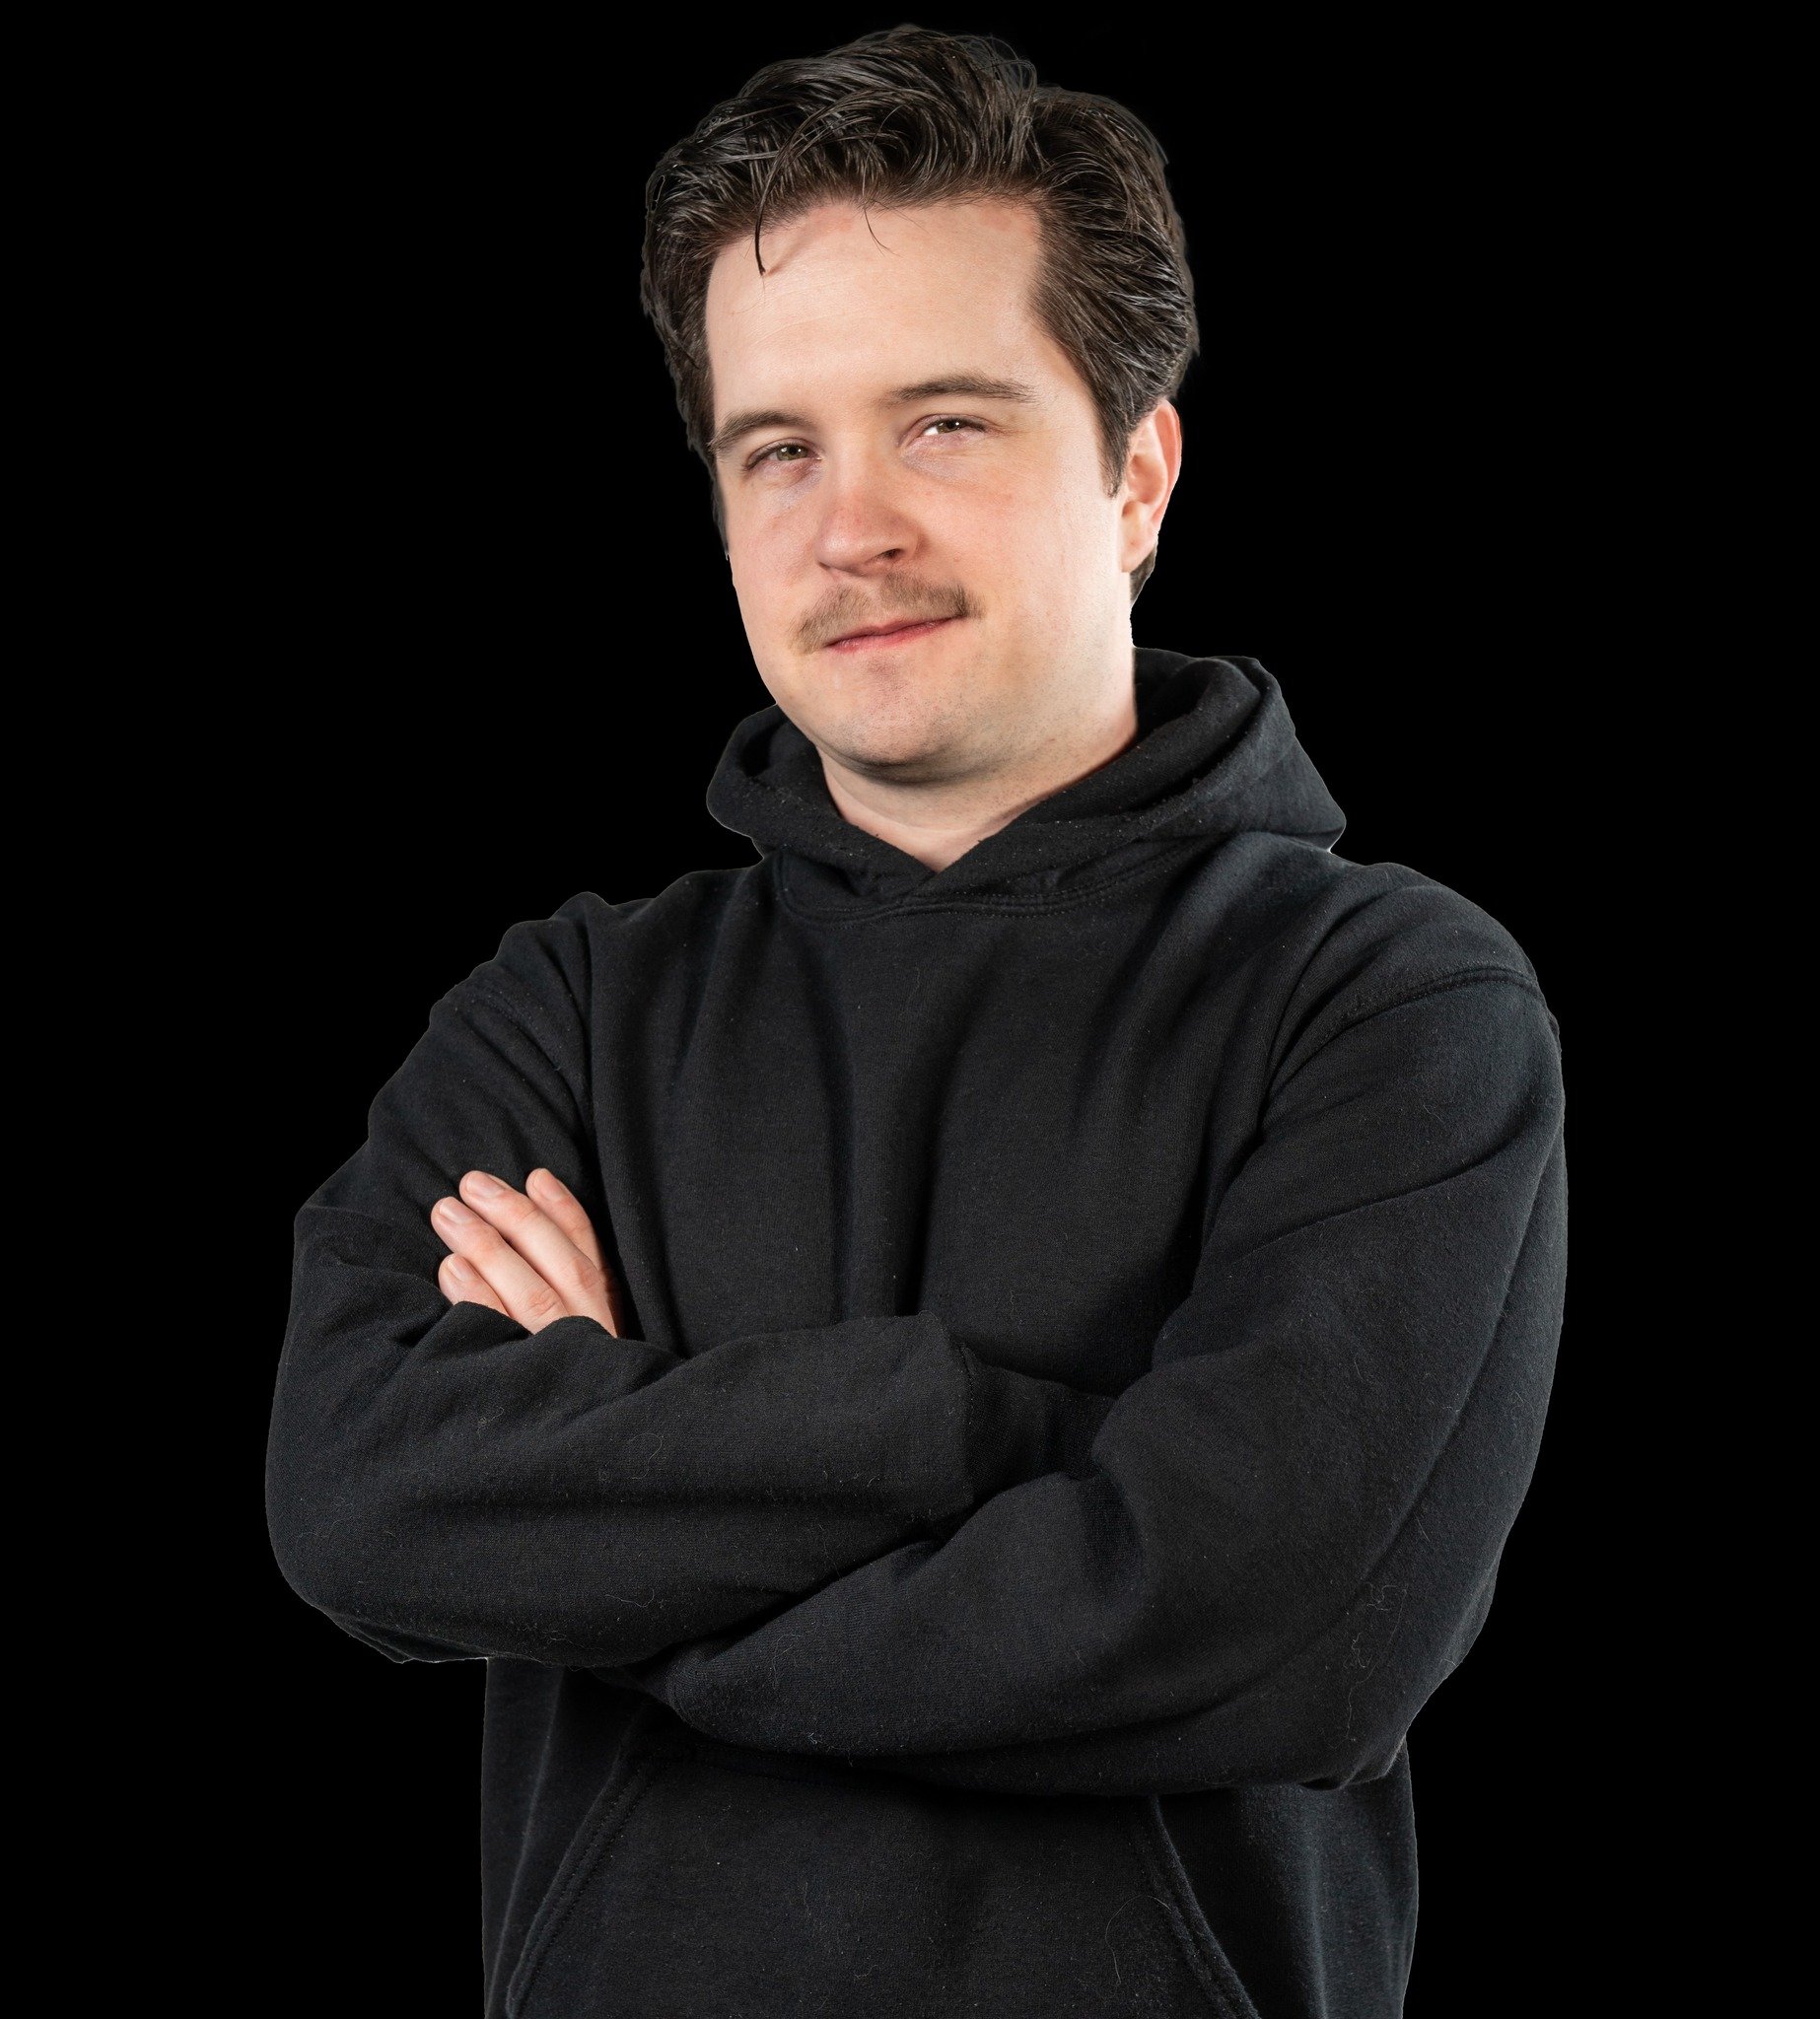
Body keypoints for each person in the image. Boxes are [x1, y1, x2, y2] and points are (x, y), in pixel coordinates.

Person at [266, 26, 1568, 2018]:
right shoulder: (570, 1005)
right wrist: (986, 1431)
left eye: (941, 424)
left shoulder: (1386, 1003)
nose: (843, 525)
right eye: (775, 446)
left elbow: (1280, 1628)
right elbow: (360, 1495)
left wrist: (622, 1513)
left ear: (1135, 472)